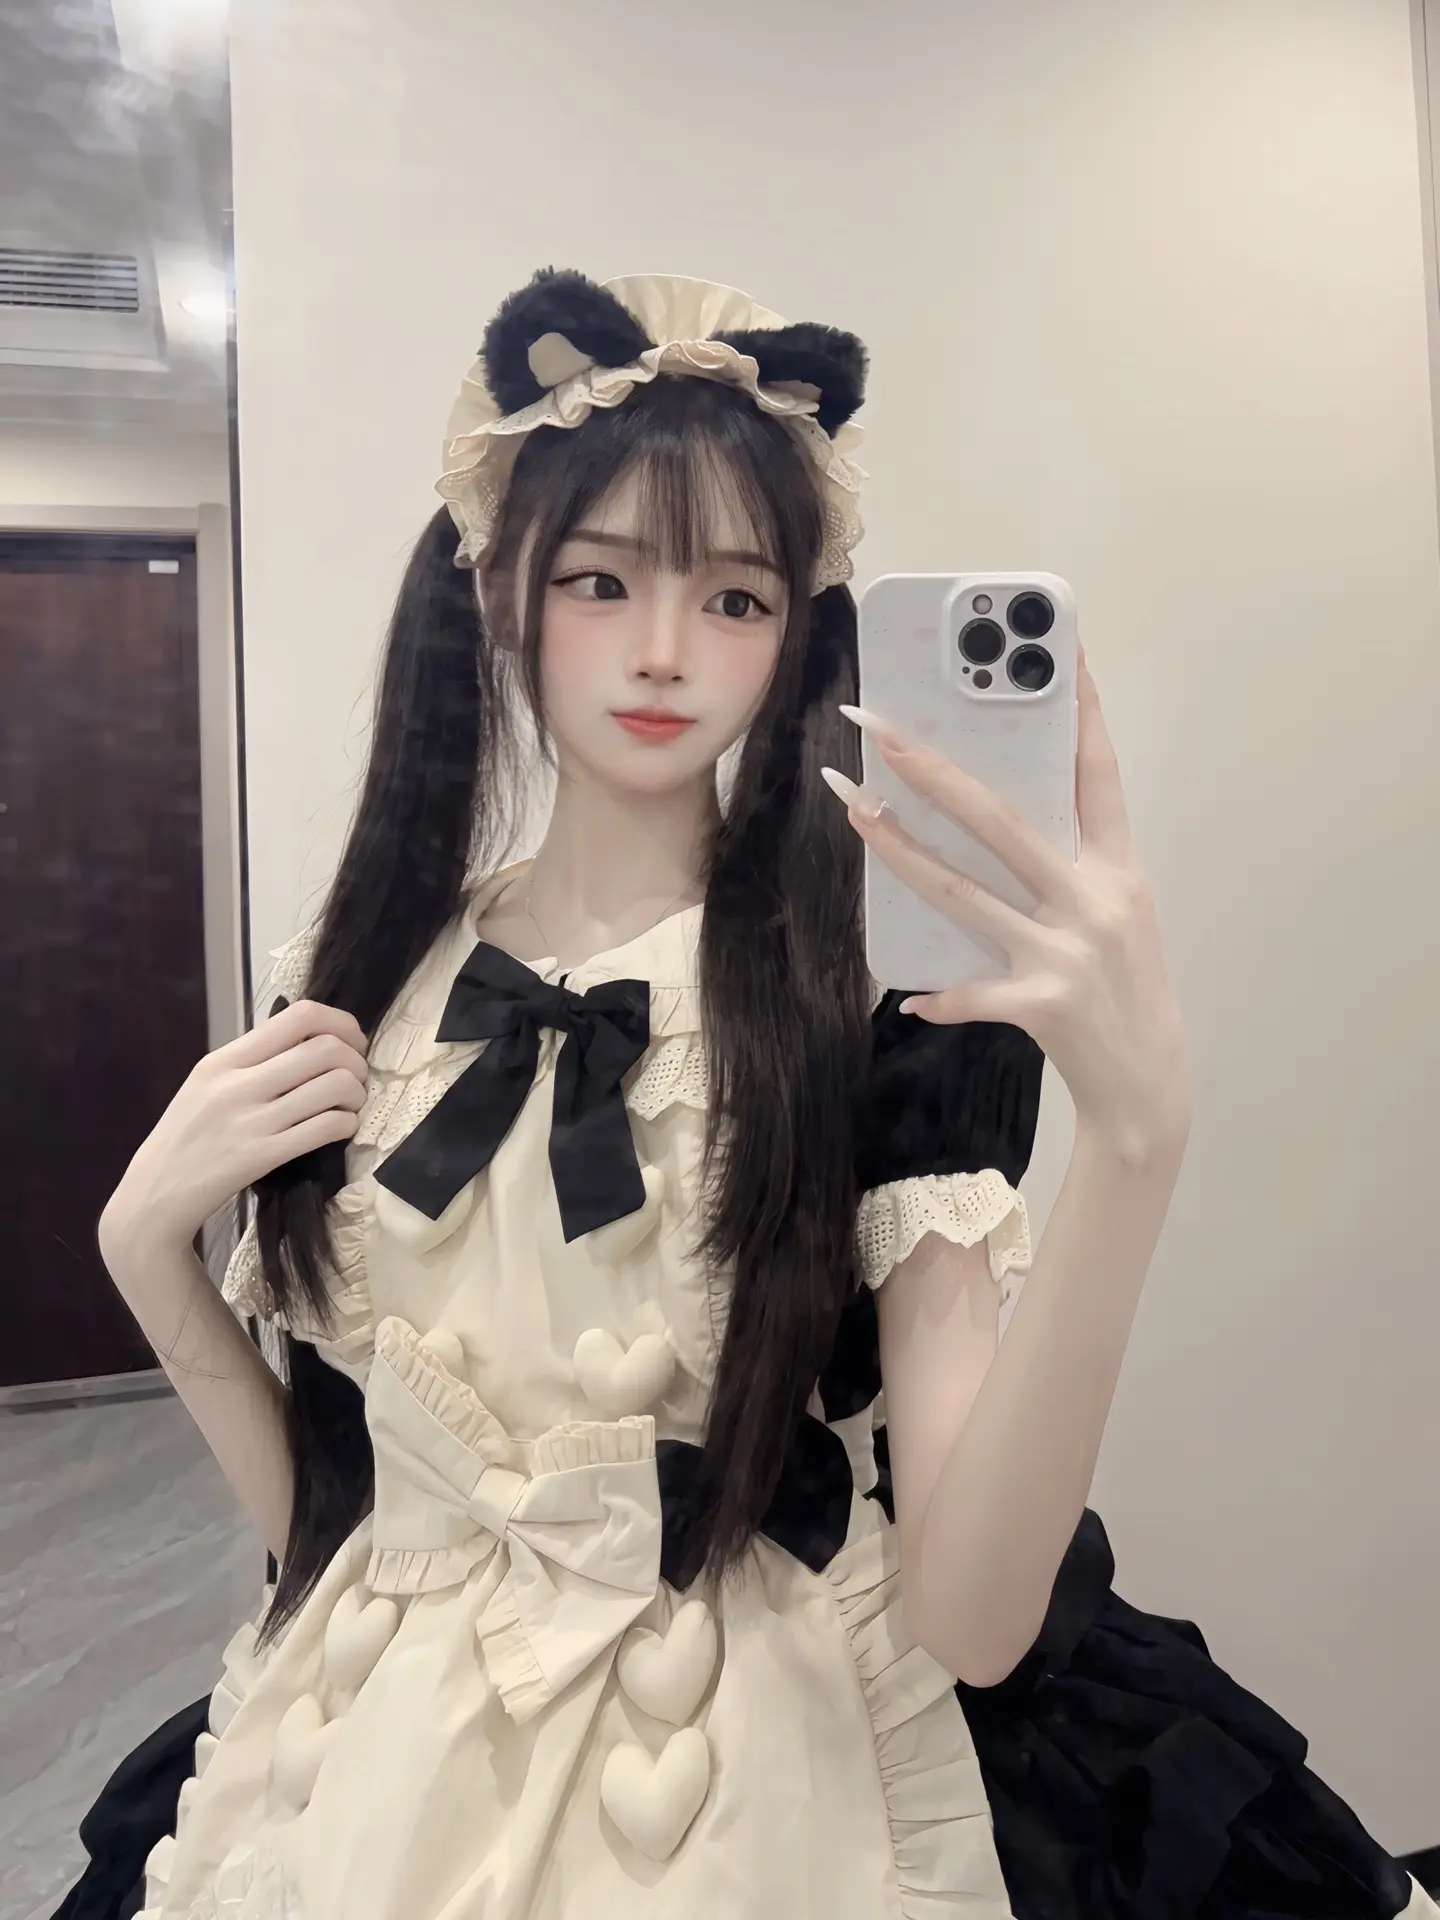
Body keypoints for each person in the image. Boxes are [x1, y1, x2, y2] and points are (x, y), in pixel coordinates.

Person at [64, 270, 1433, 1920]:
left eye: (733, 597)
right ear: (499, 591)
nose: (664, 652)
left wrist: (1134, 1150)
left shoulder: (874, 1009)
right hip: (374, 1761)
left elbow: (976, 1621)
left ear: (796, 637)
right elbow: (346, 1535)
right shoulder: (362, 982)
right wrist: (149, 1256)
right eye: (601, 581)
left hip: (767, 1755)